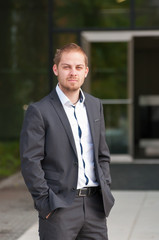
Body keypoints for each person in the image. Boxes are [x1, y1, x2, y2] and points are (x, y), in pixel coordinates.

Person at [20, 43, 115, 240]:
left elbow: (102, 154)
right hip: (59, 208)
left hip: (95, 208)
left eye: (78, 67)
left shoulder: (95, 105)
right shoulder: (39, 111)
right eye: (67, 67)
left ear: (86, 71)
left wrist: (105, 186)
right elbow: (30, 162)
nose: (73, 72)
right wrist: (45, 203)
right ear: (56, 69)